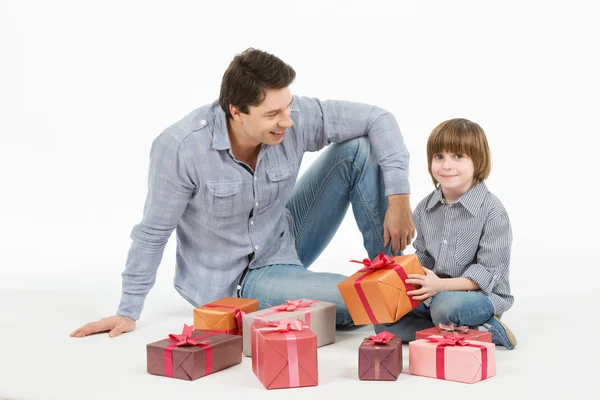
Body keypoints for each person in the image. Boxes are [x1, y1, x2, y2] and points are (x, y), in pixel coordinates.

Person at [70, 48, 414, 338]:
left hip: (284, 238)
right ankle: (392, 298)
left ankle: (393, 275)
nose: (288, 121)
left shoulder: (292, 117)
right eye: (273, 114)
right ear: (236, 111)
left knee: (358, 149)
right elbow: (151, 234)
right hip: (238, 283)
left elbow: (378, 119)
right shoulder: (181, 148)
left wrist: (398, 199)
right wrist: (127, 310)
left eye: (288, 107)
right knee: (355, 302)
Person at [375, 118, 518, 349]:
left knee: (445, 308)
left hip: (475, 296)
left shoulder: (492, 211)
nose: (446, 165)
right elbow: (423, 256)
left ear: (478, 160)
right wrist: (399, 279)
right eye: (439, 157)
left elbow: (488, 273)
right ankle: (456, 331)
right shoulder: (425, 208)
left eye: (458, 156)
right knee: (384, 318)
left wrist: (441, 286)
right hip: (434, 291)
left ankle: (488, 327)